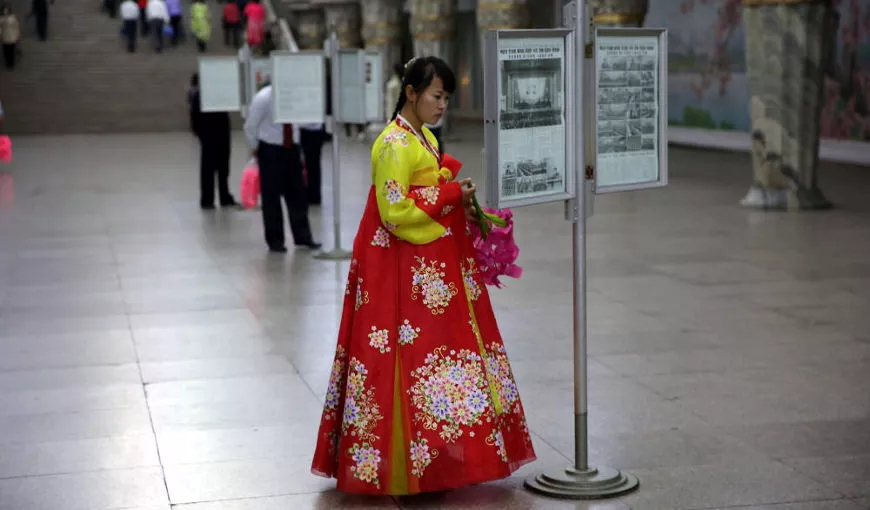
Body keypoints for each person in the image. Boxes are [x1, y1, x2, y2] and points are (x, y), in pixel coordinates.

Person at [310, 56, 536, 495]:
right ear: (411, 93)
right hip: (398, 267)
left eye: (447, 98)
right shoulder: (394, 143)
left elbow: (416, 195)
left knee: (434, 360)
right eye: (436, 96)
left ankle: (431, 460)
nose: (441, 105)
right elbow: (394, 210)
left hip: (421, 267)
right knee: (403, 358)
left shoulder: (422, 137)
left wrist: (460, 202)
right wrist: (450, 193)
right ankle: (398, 466)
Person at [243, 83, 320, 253]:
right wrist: (255, 148)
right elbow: (250, 126)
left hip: (291, 148)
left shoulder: (296, 96)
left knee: (298, 194)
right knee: (271, 197)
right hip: (270, 149)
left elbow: (300, 122)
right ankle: (275, 240)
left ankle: (303, 236)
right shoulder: (263, 98)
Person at [188, 73, 237, 210]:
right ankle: (207, 199)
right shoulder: (201, 94)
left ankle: (224, 196)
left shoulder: (219, 94)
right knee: (208, 168)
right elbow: (194, 115)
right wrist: (200, 133)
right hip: (209, 134)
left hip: (221, 133)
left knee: (223, 167)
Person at [299, 121, 324, 205]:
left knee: (312, 166)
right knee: (313, 166)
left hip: (310, 130)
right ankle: (312, 195)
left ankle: (313, 195)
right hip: (313, 130)